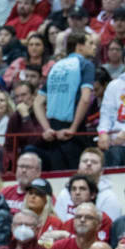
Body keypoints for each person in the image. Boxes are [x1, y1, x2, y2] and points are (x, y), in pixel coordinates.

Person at [33, 32, 97, 170]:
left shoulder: (56, 67)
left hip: (53, 134)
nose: (94, 47)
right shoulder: (86, 65)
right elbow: (85, 99)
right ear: (79, 46)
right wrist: (73, 128)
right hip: (73, 132)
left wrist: (47, 129)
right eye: (90, 43)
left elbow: (37, 102)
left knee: (58, 176)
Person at [54, 149, 122, 223]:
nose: (89, 163)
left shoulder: (109, 197)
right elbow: (59, 223)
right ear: (78, 167)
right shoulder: (65, 193)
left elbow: (109, 228)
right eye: (85, 161)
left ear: (102, 171)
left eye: (94, 162)